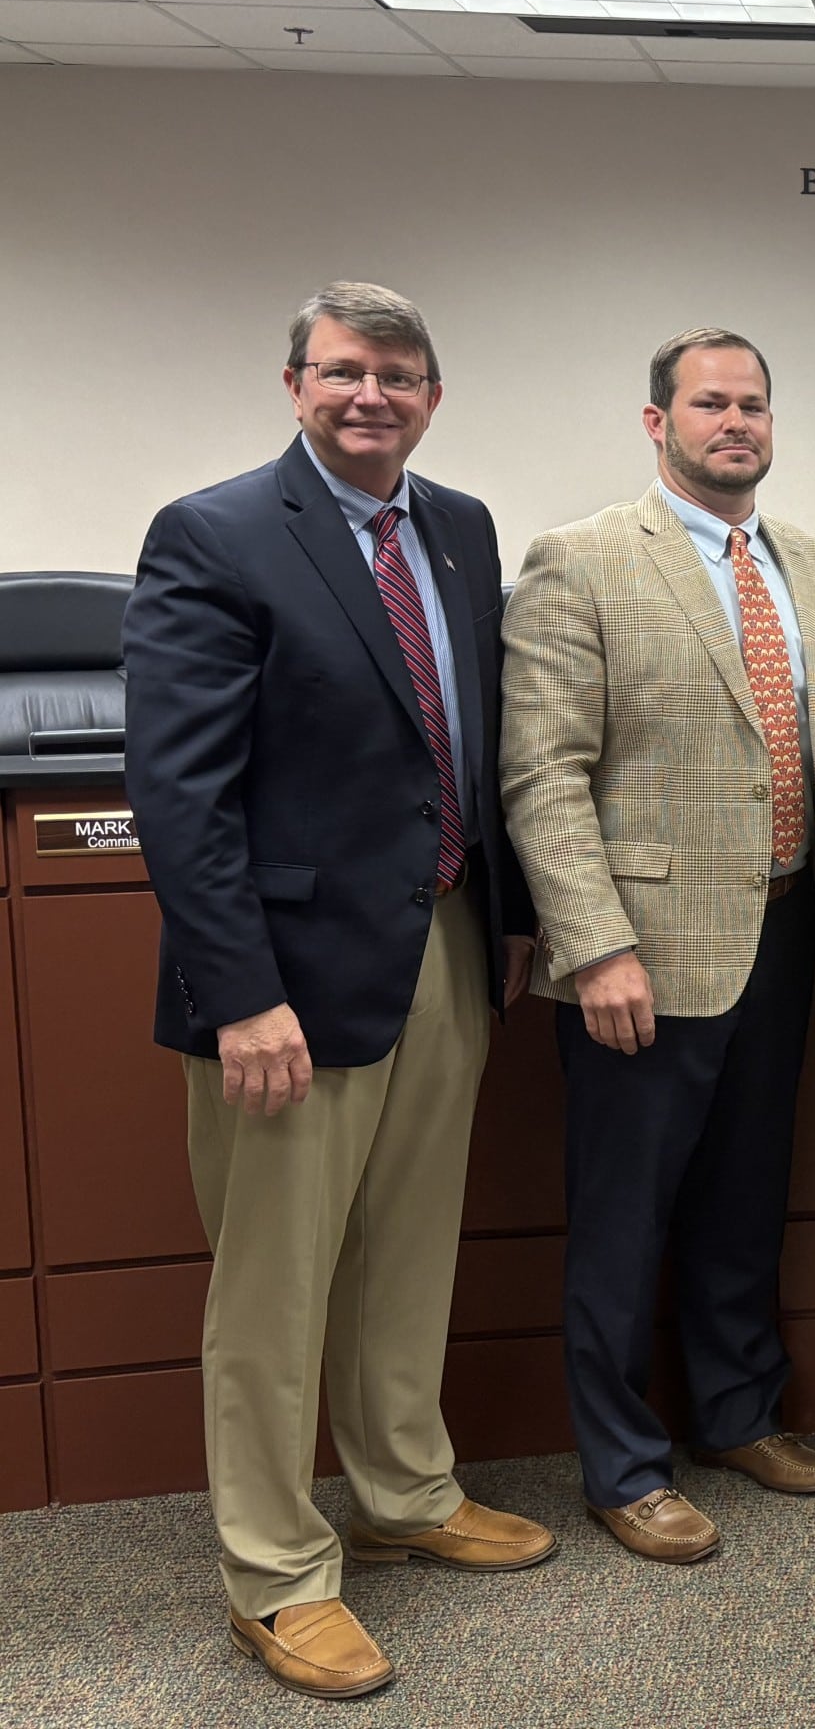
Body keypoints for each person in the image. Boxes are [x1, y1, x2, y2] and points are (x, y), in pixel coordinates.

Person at [121, 283, 553, 1700]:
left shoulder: (461, 528)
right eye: (347, 371)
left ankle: (407, 1493)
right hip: (284, 981)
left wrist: (515, 921)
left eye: (402, 375)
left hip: (441, 942)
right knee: (275, 1285)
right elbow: (181, 794)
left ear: (434, 395)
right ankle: (273, 1572)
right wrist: (241, 994)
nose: (374, 395)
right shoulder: (216, 533)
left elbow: (472, 748)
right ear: (294, 380)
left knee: (408, 1248)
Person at [500, 327, 815, 1565]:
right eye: (709, 404)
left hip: (785, 929)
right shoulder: (579, 563)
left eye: (753, 406)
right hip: (644, 953)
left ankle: (737, 1414)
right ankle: (623, 1467)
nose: (735, 423)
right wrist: (595, 946)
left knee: (744, 1197)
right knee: (625, 1219)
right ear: (657, 422)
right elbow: (541, 774)